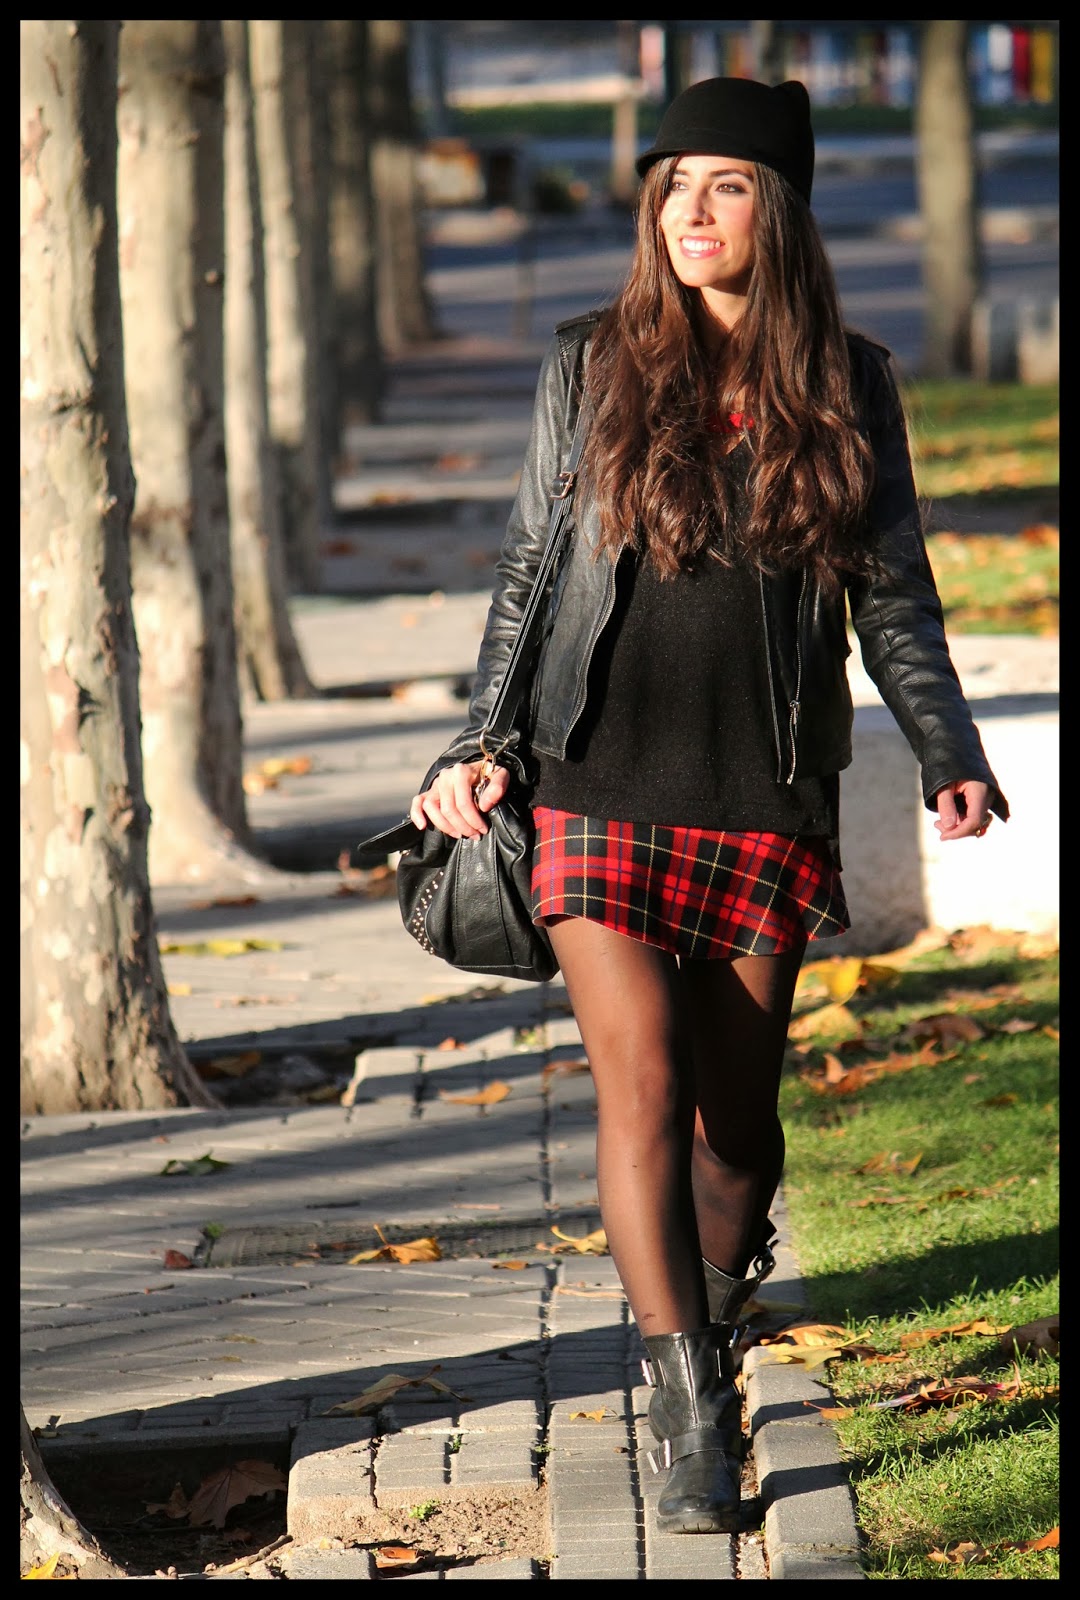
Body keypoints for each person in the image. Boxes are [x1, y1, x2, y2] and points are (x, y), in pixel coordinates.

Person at [407, 76, 1008, 1536]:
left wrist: (947, 747)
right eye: (673, 185)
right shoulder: (591, 362)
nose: (690, 211)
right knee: (645, 1085)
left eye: (725, 185)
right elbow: (531, 569)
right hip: (593, 777)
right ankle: (688, 1410)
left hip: (762, 792)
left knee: (737, 1126)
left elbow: (895, 597)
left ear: (776, 210)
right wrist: (480, 741)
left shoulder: (851, 383)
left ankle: (717, 1310)